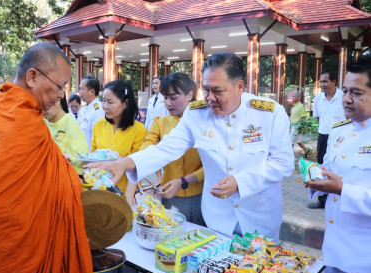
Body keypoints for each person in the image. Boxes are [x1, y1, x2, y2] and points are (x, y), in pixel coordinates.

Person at [86, 52, 294, 241]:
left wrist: (241, 182)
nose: (210, 98)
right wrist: (124, 163)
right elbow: (166, 148)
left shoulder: (269, 114)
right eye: (206, 90)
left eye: (217, 91)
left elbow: (283, 163)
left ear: (240, 86)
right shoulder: (196, 115)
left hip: (260, 218)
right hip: (218, 220)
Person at [0, 42, 93, 273]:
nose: (61, 96)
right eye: (59, 87)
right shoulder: (23, 121)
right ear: (33, 77)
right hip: (11, 249)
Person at [305, 55, 371, 273]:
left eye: (357, 93)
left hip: (364, 260)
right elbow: (331, 173)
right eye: (345, 91)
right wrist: (318, 181)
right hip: (333, 253)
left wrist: (342, 189)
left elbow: (341, 187)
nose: (347, 99)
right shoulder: (339, 130)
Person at [139, 72, 205, 225]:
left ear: (190, 95)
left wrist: (184, 181)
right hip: (170, 192)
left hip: (200, 193)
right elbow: (148, 144)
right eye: (165, 98)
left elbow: (211, 164)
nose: (168, 103)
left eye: (173, 98)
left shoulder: (204, 122)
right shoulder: (160, 122)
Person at [90, 80, 147, 205]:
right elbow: (92, 154)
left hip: (122, 192)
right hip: (99, 189)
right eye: (103, 100)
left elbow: (138, 165)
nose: (104, 106)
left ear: (125, 103)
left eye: (110, 102)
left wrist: (129, 195)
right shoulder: (99, 125)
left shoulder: (139, 130)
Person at [309, 70, 346, 209]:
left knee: (339, 166)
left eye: (325, 81)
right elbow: (319, 118)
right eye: (321, 82)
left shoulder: (343, 97)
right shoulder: (318, 98)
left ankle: (341, 198)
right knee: (321, 168)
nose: (322, 84)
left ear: (334, 82)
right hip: (323, 137)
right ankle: (322, 199)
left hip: (340, 138)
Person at [44, 95, 88, 175]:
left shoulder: (71, 125)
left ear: (57, 100)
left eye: (44, 104)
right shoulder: (41, 121)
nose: (42, 109)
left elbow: (78, 161)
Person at [77, 75, 105, 150]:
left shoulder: (98, 110)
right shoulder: (84, 109)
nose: (79, 92)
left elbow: (98, 138)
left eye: (82, 89)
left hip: (90, 156)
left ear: (92, 91)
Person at [290, 91, 310, 157]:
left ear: (298, 98)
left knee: (290, 141)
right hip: (293, 126)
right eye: (292, 96)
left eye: (294, 96)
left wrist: (304, 128)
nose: (292, 97)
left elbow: (303, 118)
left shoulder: (301, 106)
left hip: (297, 126)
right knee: (297, 141)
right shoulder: (294, 106)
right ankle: (306, 150)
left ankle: (289, 156)